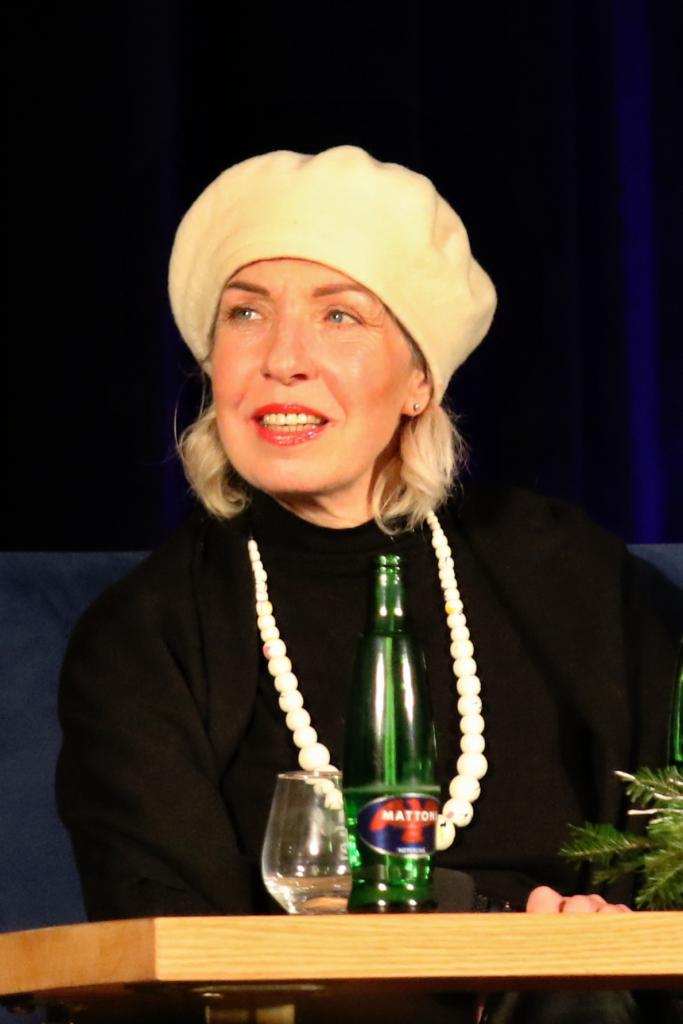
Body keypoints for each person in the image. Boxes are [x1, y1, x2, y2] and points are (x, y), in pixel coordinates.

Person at [56, 146, 676, 1022]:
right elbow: (174, 952)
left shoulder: (569, 574)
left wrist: (590, 945)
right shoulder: (145, 637)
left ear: (420, 379)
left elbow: (668, 850)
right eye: (245, 314)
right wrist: (483, 937)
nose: (282, 359)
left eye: (340, 316)